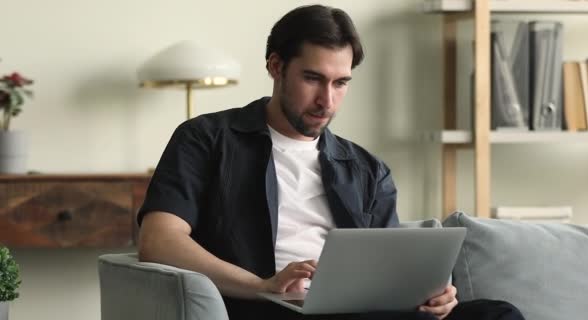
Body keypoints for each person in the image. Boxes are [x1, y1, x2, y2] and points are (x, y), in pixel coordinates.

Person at [137, 4, 525, 320]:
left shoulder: (368, 169)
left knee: (499, 314)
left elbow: (393, 270)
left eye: (340, 83)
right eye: (313, 79)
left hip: (367, 310)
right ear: (275, 67)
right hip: (272, 307)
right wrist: (262, 285)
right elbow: (158, 240)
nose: (327, 100)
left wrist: (435, 296)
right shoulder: (206, 139)